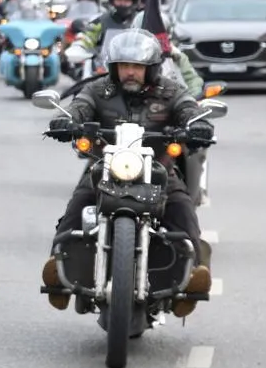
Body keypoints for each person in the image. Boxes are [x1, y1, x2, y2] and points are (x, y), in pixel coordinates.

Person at [43, 29, 213, 306]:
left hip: (158, 170)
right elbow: (80, 106)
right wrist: (66, 120)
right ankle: (56, 272)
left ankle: (193, 274)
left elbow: (188, 109)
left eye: (137, 66)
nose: (130, 72)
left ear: (151, 68)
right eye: (124, 66)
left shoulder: (170, 91)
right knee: (76, 208)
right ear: (114, 68)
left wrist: (199, 124)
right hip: (105, 167)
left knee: (183, 209)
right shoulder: (99, 89)